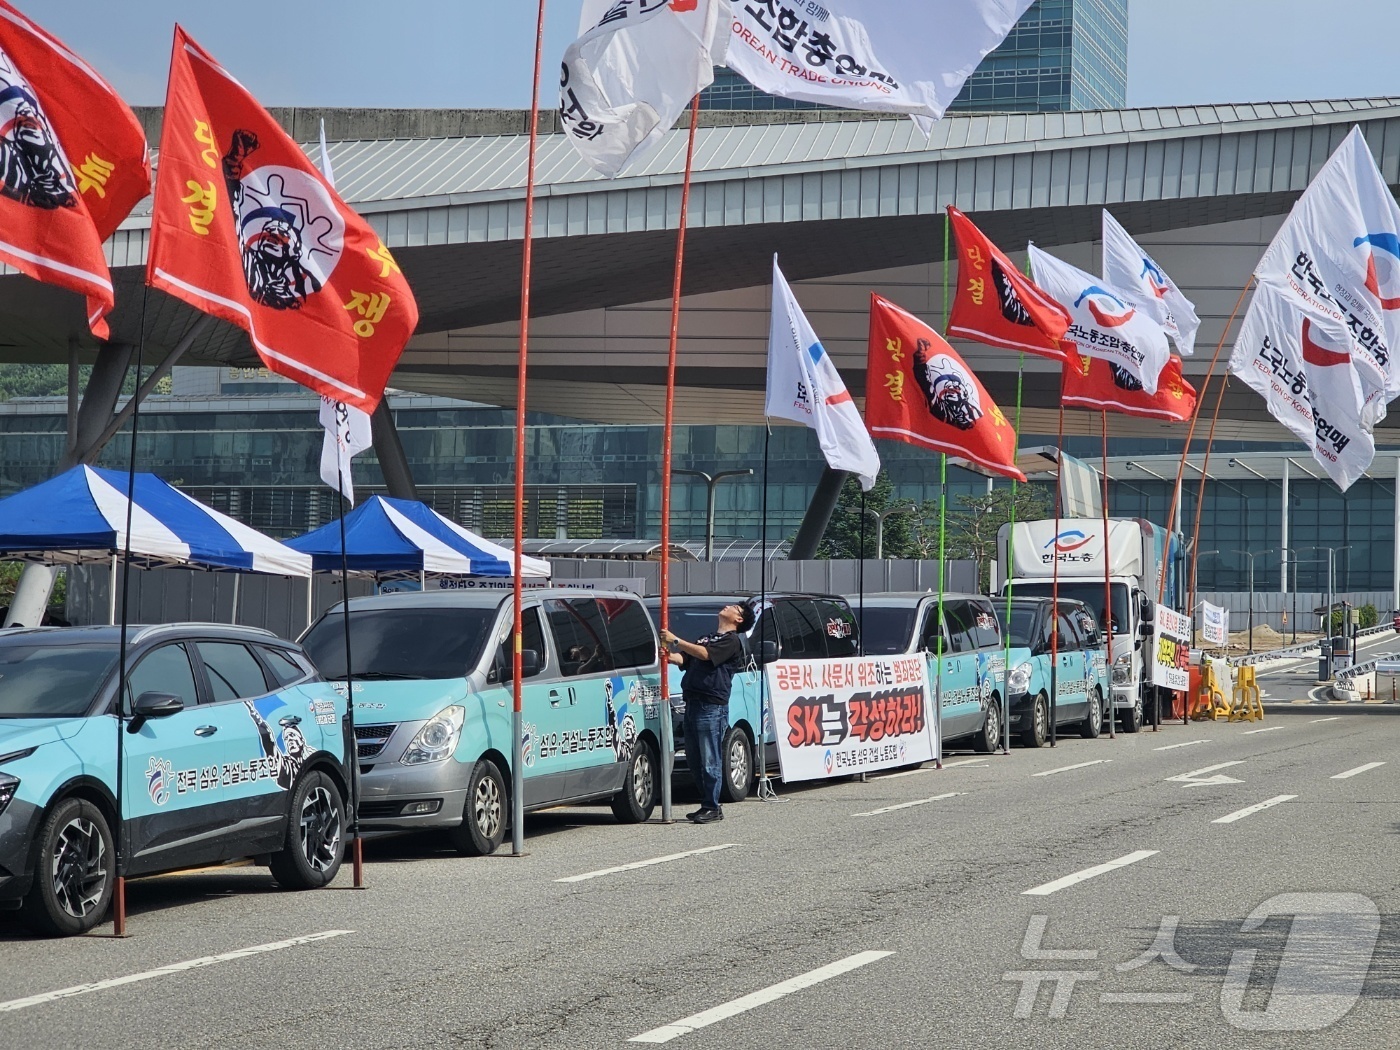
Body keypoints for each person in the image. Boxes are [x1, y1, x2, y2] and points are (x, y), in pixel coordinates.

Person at [660, 602, 755, 824]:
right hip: (691, 702)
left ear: (738, 620)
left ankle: (711, 806)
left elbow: (704, 655)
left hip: (711, 705)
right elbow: (685, 658)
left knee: (710, 758)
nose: (728, 607)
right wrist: (666, 652)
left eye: (734, 608)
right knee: (694, 758)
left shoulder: (732, 641)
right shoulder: (706, 637)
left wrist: (676, 639)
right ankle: (709, 804)